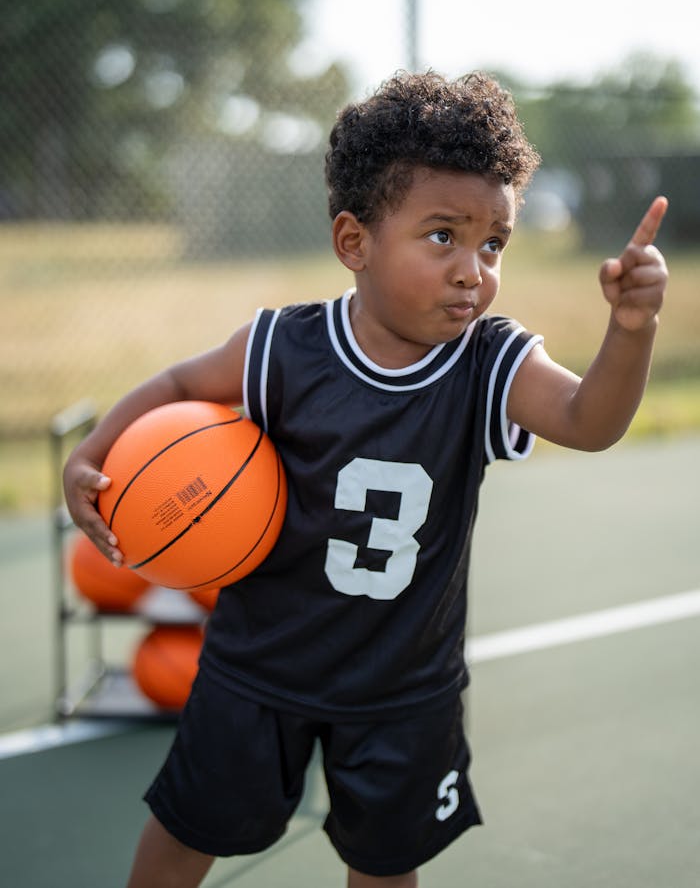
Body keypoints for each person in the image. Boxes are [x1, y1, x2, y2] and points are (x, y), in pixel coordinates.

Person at [63, 70, 668, 888]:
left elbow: (591, 423)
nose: (473, 270)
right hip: (258, 670)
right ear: (355, 243)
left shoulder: (490, 360)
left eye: (494, 243)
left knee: (384, 868)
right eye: (443, 236)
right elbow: (176, 386)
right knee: (183, 834)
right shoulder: (284, 348)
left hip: (401, 688)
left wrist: (630, 331)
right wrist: (92, 453)